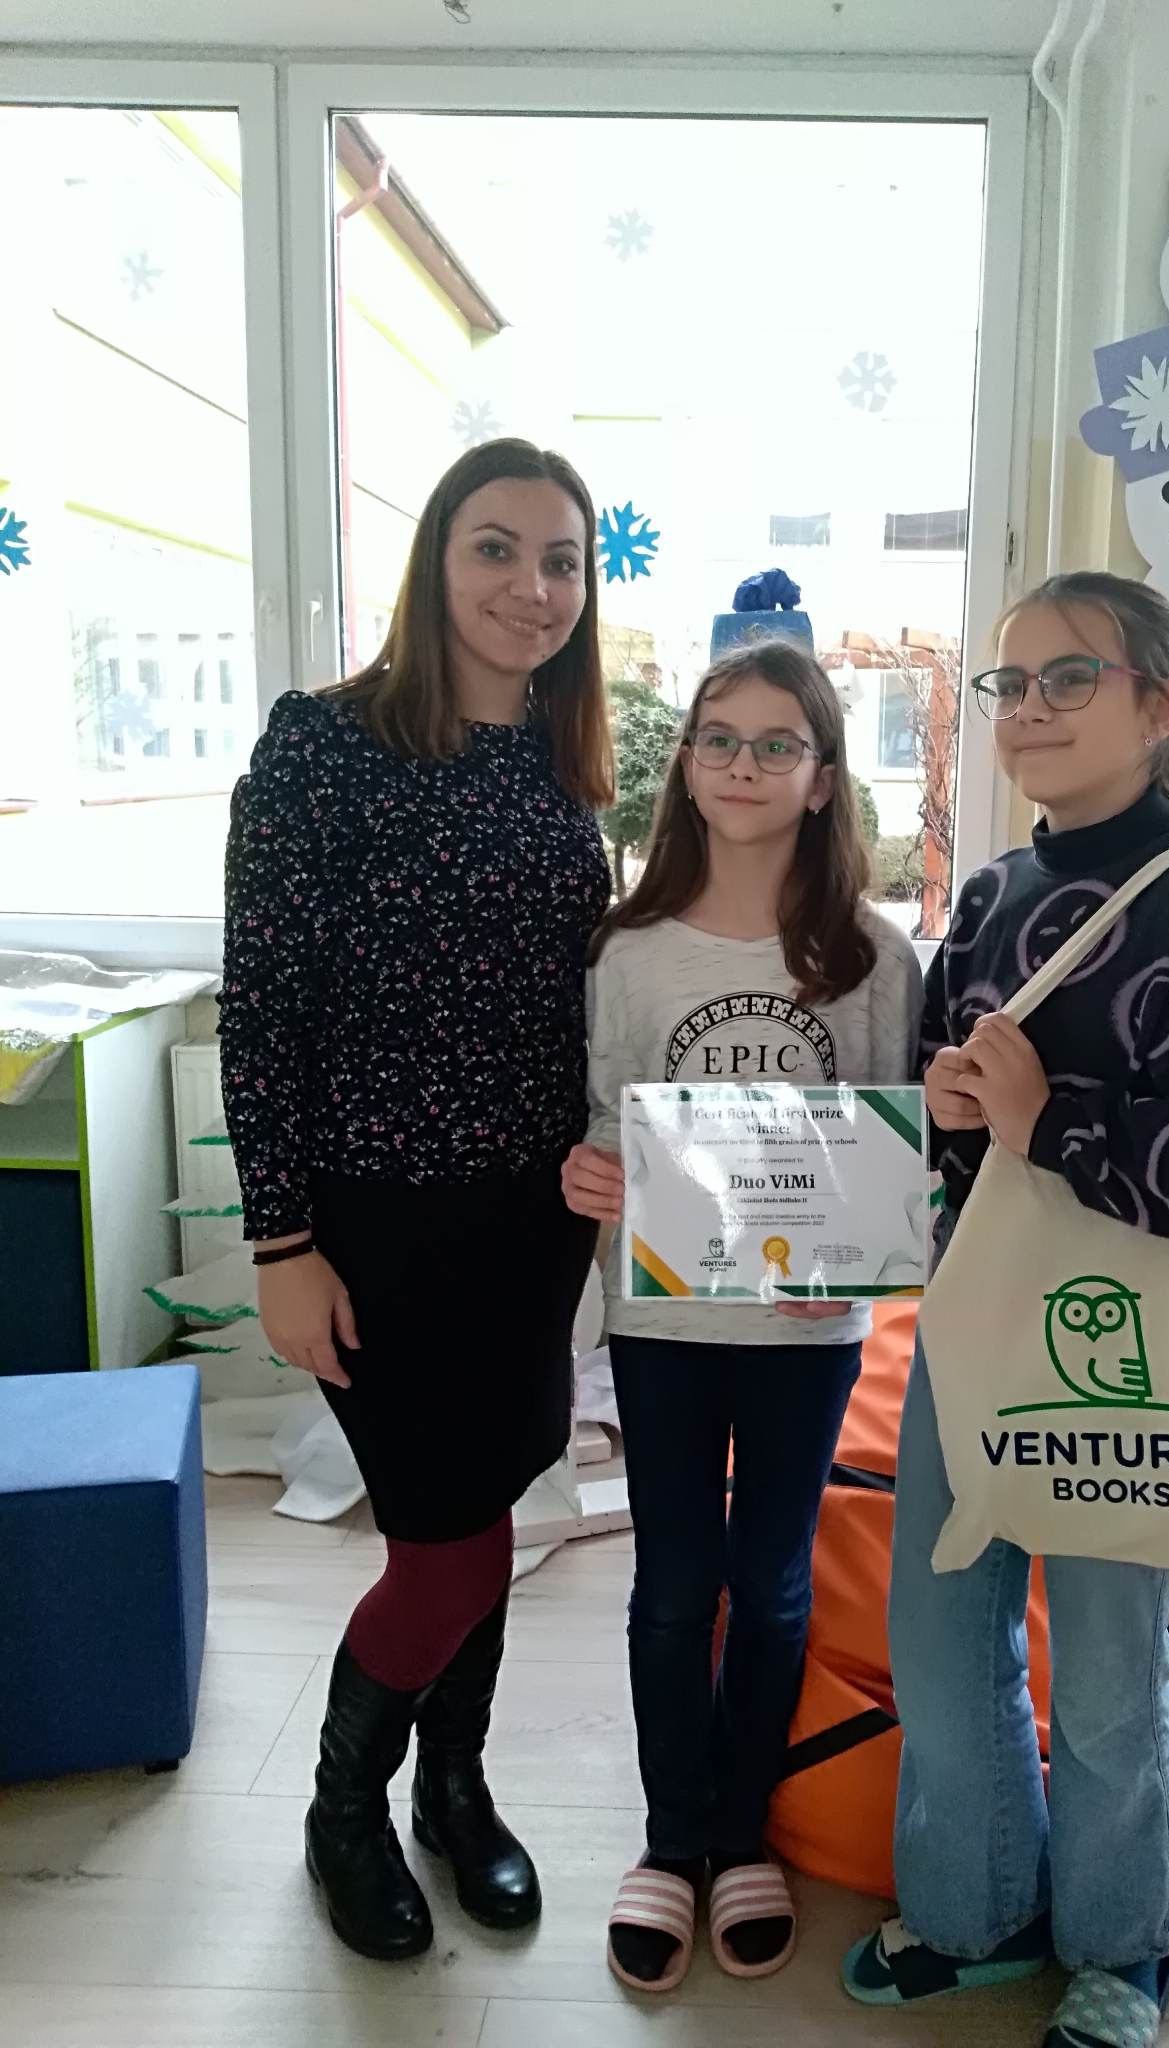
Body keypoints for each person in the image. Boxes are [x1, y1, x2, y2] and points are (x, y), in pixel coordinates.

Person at [841, 572, 1169, 2048]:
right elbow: (950, 1136)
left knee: (1113, 1663)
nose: (1033, 708)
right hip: (974, 1322)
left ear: (1159, 705)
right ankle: (978, 1908)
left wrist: (1048, 1122)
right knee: (943, 1630)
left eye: (1073, 678)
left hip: (1126, 1354)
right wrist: (949, 1112)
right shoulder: (992, 899)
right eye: (1013, 684)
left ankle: (1123, 1945)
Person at [220, 439, 614, 1963]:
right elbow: (263, 1012)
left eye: (562, 560)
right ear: (436, 561)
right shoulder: (324, 743)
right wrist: (281, 1242)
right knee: (443, 1543)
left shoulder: (562, 764)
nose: (532, 587)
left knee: (491, 1505)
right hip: (374, 1220)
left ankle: (456, 1790)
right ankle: (344, 1814)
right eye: (495, 549)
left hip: (531, 1218)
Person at [562, 639, 923, 1994]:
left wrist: (863, 1252)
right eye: (719, 738)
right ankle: (671, 1840)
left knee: (772, 1586)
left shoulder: (874, 956)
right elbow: (608, 1129)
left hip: (804, 1334)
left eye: (780, 744)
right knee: (672, 1585)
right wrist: (589, 1177)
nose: (745, 765)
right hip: (662, 1325)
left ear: (824, 778)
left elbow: (889, 1144)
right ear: (687, 766)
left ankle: (741, 1834)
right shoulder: (630, 948)